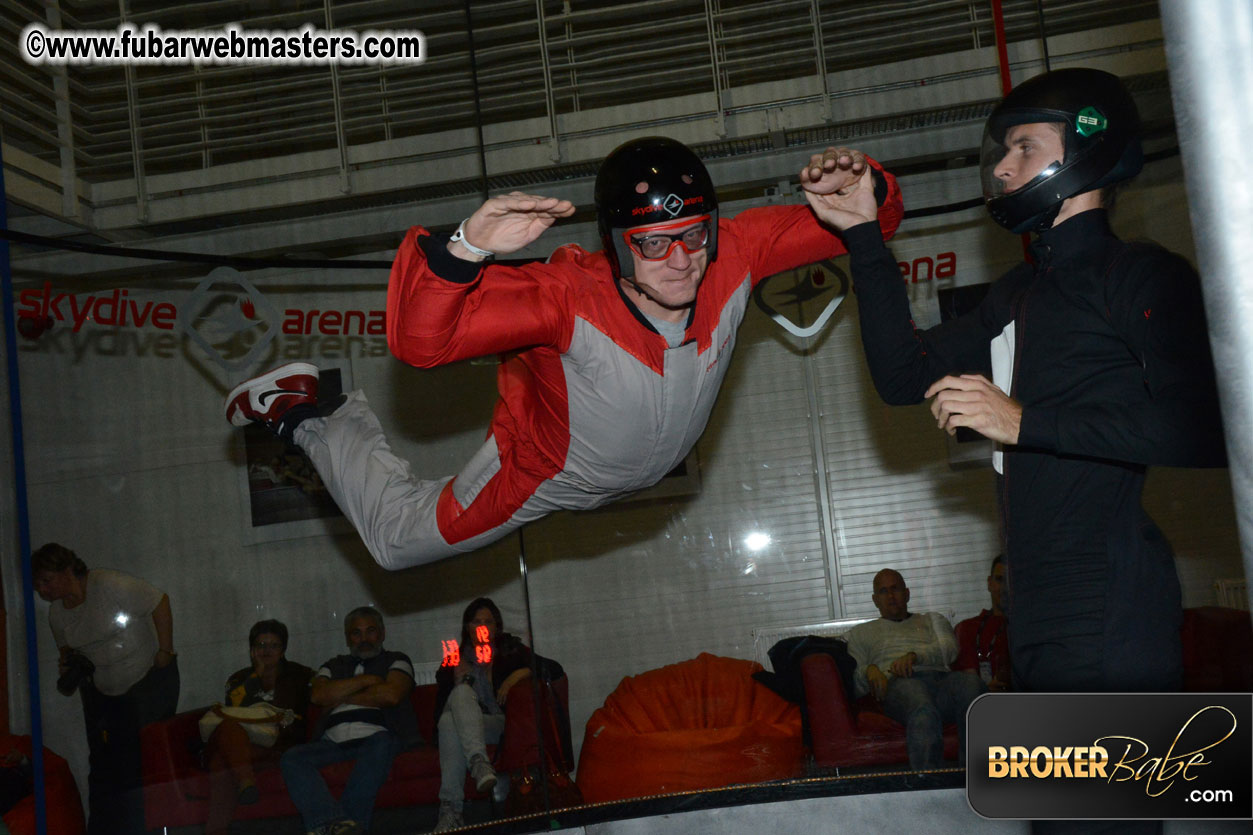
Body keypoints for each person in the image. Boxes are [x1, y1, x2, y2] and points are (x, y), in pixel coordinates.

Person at [222, 137, 903, 571]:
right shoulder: (564, 298)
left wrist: (860, 181)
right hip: (546, 471)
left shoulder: (735, 255)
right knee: (397, 545)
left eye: (695, 235)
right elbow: (421, 344)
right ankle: (313, 416)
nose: (682, 261)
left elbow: (877, 218)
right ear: (613, 242)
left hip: (643, 469)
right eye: (653, 242)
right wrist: (464, 246)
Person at [804, 68, 1226, 696]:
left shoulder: (1140, 273)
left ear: (1088, 149)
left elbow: (1207, 431)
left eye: (1024, 147)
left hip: (1109, 606)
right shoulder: (1019, 291)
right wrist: (863, 232)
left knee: (1118, 797)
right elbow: (902, 376)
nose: (1003, 168)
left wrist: (1023, 422)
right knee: (1046, 796)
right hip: (1031, 615)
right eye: (1003, 151)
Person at [32, 542, 179, 835]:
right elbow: (65, 651)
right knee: (101, 764)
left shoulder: (108, 584)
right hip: (103, 690)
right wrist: (67, 668)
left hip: (147, 681)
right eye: (38, 585)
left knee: (139, 762)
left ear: (66, 570)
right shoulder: (57, 614)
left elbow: (159, 601)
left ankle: (147, 829)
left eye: (46, 581)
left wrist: (166, 650)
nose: (42, 591)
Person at [279, 606, 418, 835]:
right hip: (331, 743)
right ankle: (337, 824)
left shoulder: (397, 660)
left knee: (382, 742)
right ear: (347, 637)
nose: (364, 639)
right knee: (292, 758)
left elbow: (391, 695)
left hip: (377, 737)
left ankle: (340, 828)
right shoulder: (334, 665)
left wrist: (342, 694)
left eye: (370, 631)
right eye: (356, 633)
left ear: (382, 633)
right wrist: (368, 680)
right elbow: (318, 695)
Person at [843, 569, 985, 771]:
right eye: (883, 591)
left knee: (973, 686)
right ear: (875, 600)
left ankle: (977, 775)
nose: (891, 596)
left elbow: (949, 649)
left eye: (895, 589)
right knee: (921, 706)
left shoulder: (932, 620)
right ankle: (929, 789)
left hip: (942, 681)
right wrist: (870, 670)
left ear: (907, 593)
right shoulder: (860, 633)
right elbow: (853, 683)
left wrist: (914, 656)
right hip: (899, 685)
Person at [432, 598, 553, 832]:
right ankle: (476, 769)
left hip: (495, 723)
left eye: (488, 622)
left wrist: (516, 675)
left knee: (453, 712)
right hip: (463, 725)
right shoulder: (455, 660)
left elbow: (551, 668)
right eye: (476, 622)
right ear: (467, 627)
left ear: (496, 627)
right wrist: (456, 680)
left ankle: (452, 811)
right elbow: (440, 709)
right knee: (450, 716)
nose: (482, 627)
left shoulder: (509, 650)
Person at [203, 619, 314, 835]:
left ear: (283, 650)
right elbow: (235, 709)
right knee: (229, 729)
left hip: (278, 744)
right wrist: (257, 676)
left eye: (273, 645)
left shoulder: (300, 675)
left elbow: (296, 717)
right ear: (252, 650)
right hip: (245, 743)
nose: (267, 651)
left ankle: (215, 830)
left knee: (222, 760)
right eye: (261, 645)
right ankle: (246, 781)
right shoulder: (239, 678)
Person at [952, 555, 1010, 691]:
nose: (1004, 588)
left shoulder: (1027, 629)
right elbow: (967, 684)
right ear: (989, 583)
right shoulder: (966, 628)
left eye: (1010, 581)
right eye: (999, 579)